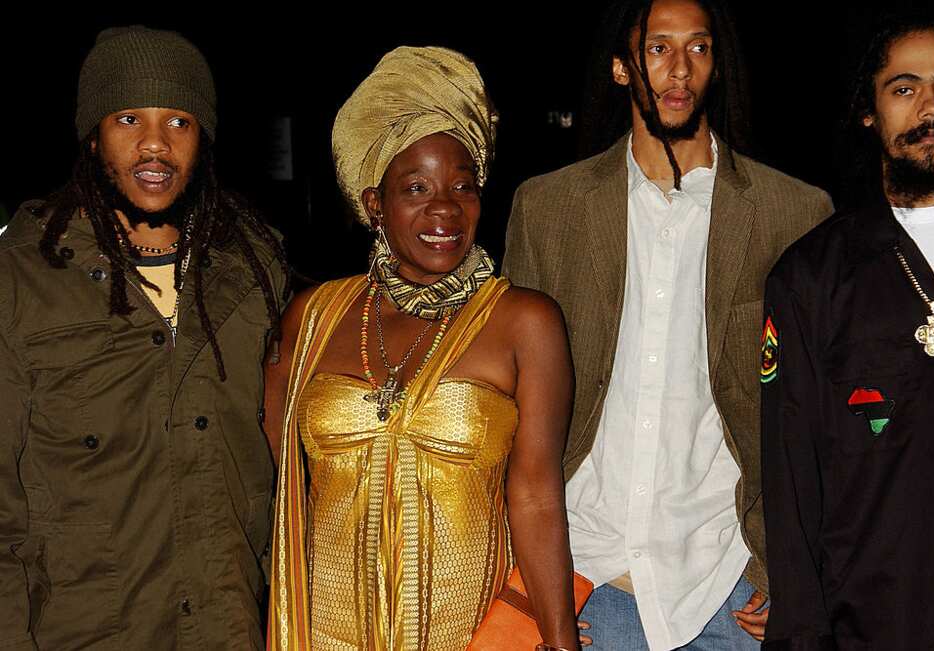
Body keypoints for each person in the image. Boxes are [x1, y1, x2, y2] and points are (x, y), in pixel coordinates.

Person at [502, 0, 833, 648]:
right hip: (584, 587)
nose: (679, 69)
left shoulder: (791, 211)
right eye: (658, 49)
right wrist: (528, 577)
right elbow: (508, 407)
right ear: (623, 67)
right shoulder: (548, 210)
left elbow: (814, 414)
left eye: (698, 48)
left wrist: (796, 565)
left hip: (727, 591)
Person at [263, 46, 580, 651]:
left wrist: (560, 639)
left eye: (464, 187)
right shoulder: (314, 317)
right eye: (416, 188)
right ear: (374, 205)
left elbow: (538, 497)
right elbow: (277, 485)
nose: (444, 209)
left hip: (471, 634)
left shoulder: (523, 322)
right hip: (324, 633)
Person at [0, 26, 288, 649]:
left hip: (229, 627)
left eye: (179, 122)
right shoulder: (22, 277)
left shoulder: (254, 268)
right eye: (128, 118)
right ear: (93, 134)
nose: (155, 145)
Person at [762, 14, 934, 650]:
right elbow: (791, 477)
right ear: (869, 111)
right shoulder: (811, 274)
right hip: (867, 626)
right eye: (904, 88)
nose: (929, 107)